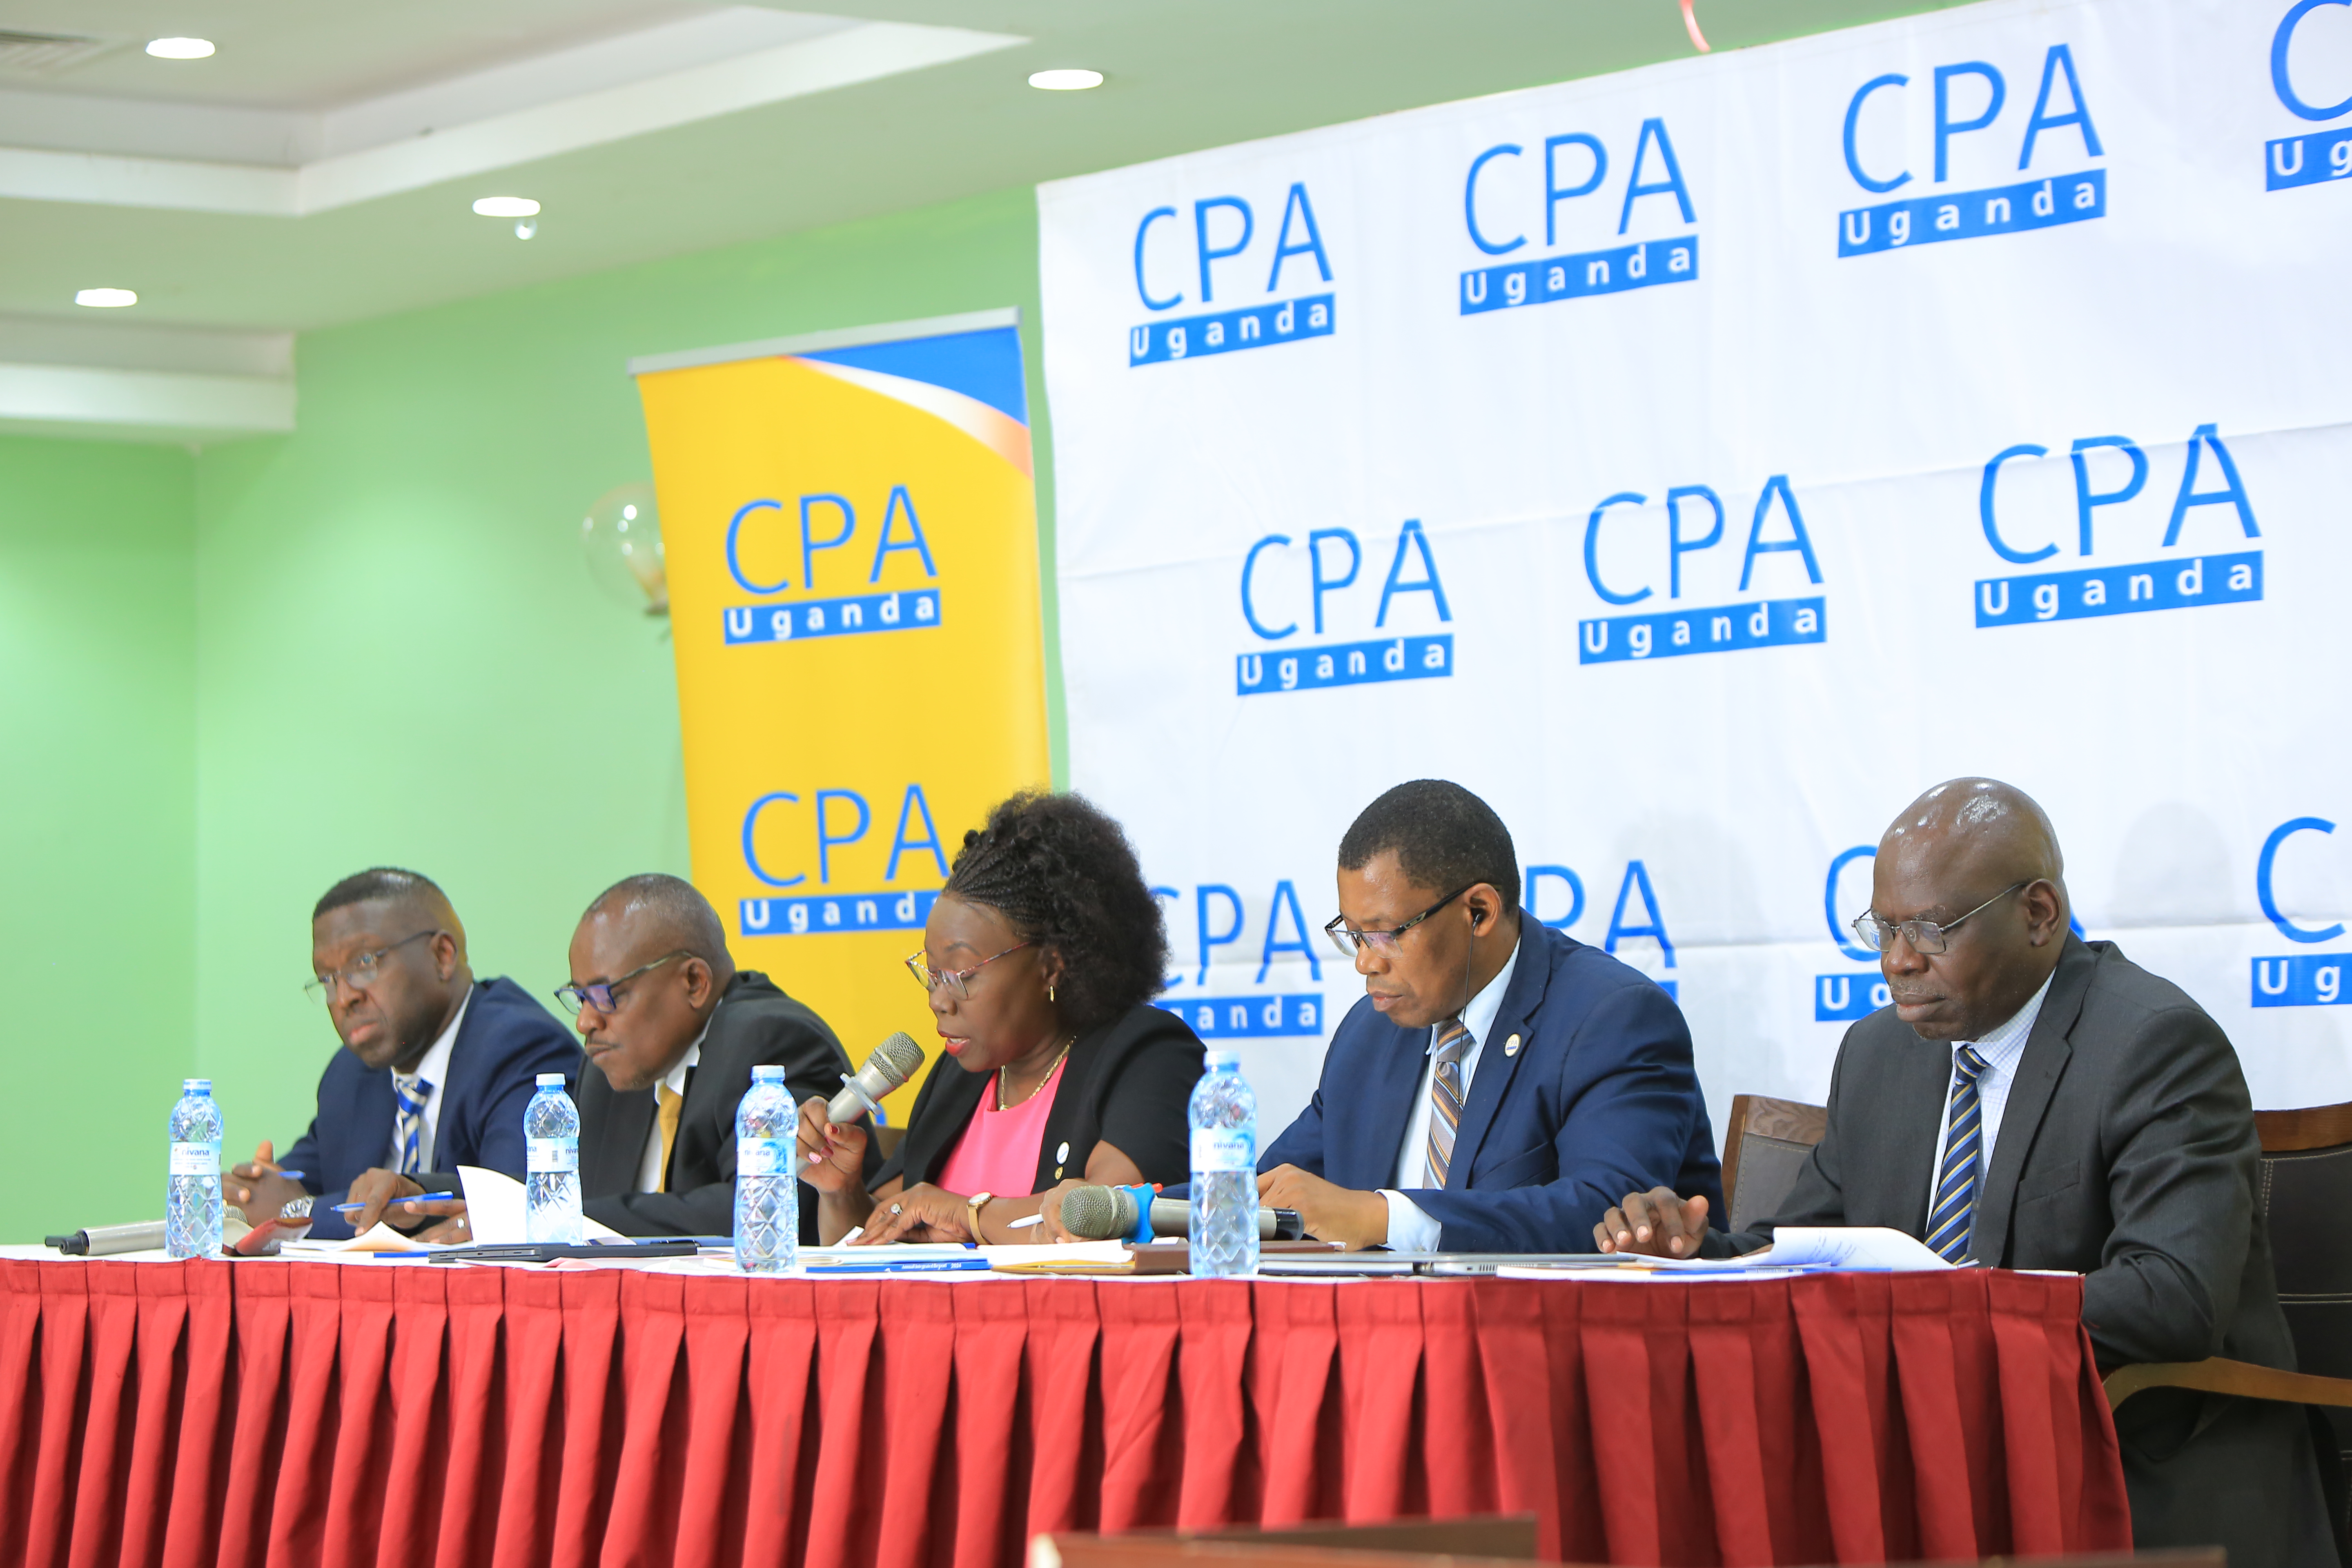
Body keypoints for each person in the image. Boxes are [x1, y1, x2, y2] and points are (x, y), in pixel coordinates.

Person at [1594, 779, 2333, 1564]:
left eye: (1930, 930)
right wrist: (1691, 1252)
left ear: (2039, 914)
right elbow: (1802, 1251)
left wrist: (1948, 1303)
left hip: (2134, 1464)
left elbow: (2173, 1298)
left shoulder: (2155, 1046)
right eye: (1883, 929)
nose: (1897, 961)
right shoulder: (1879, 1053)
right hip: (1932, 1461)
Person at [1256, 779, 1722, 1252]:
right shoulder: (1369, 1032)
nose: (1366, 963)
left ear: (1479, 912)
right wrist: (1180, 1208)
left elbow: (1611, 1216)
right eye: (1354, 935)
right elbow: (1273, 1192)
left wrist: (1384, 1218)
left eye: (1385, 934)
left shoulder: (1614, 1019)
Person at [797, 790, 1205, 1245]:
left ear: (1051, 965)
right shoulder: (959, 1075)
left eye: (961, 974)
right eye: (932, 974)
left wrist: (968, 1215)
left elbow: (1106, 1219)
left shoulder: (1149, 1056)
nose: (939, 1000)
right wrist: (840, 1191)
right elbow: (869, 1244)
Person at [390, 874, 860, 1242]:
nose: (586, 1022)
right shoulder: (616, 1065)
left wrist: (558, 1220)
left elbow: (768, 1205)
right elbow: (577, 1195)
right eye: (580, 997)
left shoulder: (770, 1040)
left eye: (605, 995)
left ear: (694, 982)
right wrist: (424, 1192)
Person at [226, 867, 580, 1241]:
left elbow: (511, 1201)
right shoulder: (351, 1074)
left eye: (364, 963)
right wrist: (245, 1194)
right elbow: (299, 1179)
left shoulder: (521, 1047)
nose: (344, 998)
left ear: (442, 956)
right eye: (328, 980)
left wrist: (294, 1215)